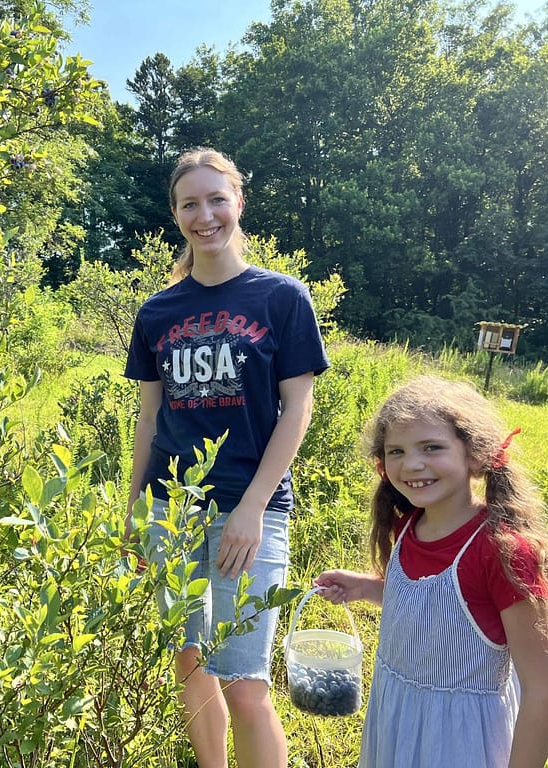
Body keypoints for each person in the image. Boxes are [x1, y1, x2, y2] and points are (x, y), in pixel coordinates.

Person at [124, 147, 329, 768]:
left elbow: (297, 409)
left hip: (250, 510)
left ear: (238, 202)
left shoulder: (281, 299)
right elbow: (150, 418)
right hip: (171, 511)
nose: (204, 214)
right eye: (191, 203)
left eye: (217, 199)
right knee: (190, 660)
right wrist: (135, 508)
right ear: (176, 214)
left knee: (245, 680)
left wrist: (251, 508)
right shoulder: (157, 312)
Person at [314, 375, 548, 768]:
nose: (412, 464)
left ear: (476, 454)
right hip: (396, 719)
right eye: (396, 451)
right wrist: (366, 588)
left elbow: (541, 690)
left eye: (431, 447)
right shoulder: (407, 527)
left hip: (462, 741)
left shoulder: (503, 552)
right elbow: (433, 609)